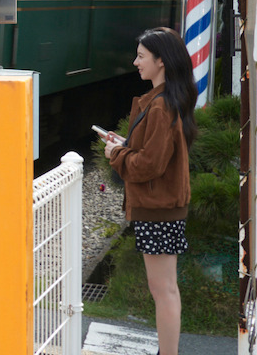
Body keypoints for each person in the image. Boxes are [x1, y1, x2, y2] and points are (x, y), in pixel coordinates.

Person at [101, 27, 197, 355]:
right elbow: (154, 155)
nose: (135, 62)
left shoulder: (160, 105)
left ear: (162, 61)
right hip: (161, 205)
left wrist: (117, 154)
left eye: (141, 56)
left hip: (158, 207)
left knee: (163, 289)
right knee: (164, 288)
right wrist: (126, 145)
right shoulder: (166, 99)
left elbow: (150, 165)